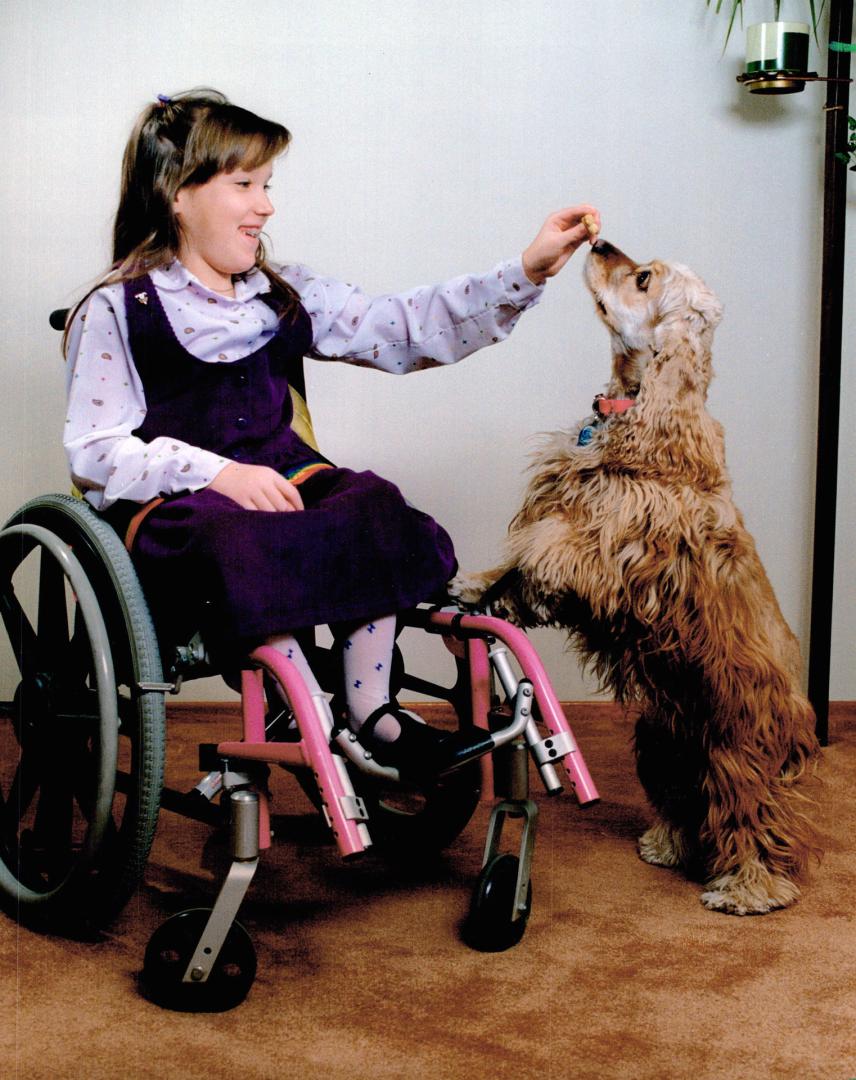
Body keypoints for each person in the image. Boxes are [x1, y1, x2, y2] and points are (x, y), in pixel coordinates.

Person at [63, 87, 600, 782]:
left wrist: (524, 271)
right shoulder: (119, 307)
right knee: (239, 539)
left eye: (268, 185)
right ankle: (305, 705)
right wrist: (217, 473)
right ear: (177, 194)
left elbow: (400, 326)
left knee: (372, 506)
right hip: (188, 511)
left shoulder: (279, 293)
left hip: (286, 483)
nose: (266, 205)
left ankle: (371, 711)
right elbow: (96, 450)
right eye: (245, 184)